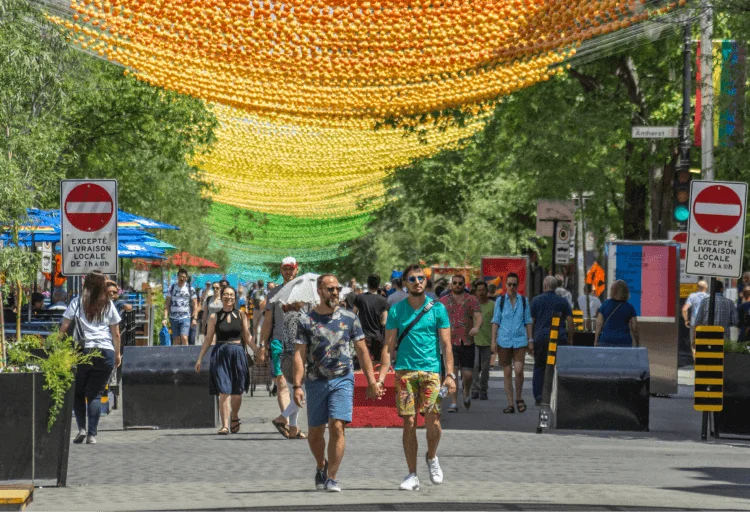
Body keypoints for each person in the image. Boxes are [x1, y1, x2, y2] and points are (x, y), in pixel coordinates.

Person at [292, 274, 381, 492]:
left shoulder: (350, 318)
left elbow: (361, 349)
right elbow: (299, 354)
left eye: (337, 289)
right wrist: (296, 385)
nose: (334, 293)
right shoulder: (306, 320)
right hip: (315, 381)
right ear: (319, 291)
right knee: (315, 432)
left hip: (343, 378)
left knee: (337, 426)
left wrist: (371, 381)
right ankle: (321, 465)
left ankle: (332, 476)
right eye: (329, 289)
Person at [379, 264, 455, 491]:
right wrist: (381, 377)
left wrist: (450, 374)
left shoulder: (438, 309)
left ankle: (432, 457)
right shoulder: (396, 310)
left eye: (421, 278)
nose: (417, 282)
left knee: (433, 419)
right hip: (404, 371)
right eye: (412, 279)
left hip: (431, 371)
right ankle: (412, 474)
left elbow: (446, 344)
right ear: (405, 284)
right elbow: (388, 346)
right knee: (409, 421)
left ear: (426, 281)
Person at [60, 271, 121, 444]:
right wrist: (117, 354)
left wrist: (56, 345)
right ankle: (92, 435)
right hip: (105, 351)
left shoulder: (77, 303)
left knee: (78, 392)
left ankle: (81, 428)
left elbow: (64, 327)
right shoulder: (108, 305)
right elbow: (116, 333)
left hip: (82, 350)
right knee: (95, 394)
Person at [195, 285, 264, 435]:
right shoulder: (214, 317)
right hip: (220, 353)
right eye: (226, 294)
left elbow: (247, 336)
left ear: (235, 298)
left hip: (238, 353)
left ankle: (234, 416)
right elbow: (208, 339)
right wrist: (200, 358)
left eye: (231, 295)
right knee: (224, 391)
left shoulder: (241, 315)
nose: (229, 297)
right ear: (221, 297)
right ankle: (225, 425)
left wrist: (258, 350)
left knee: (237, 392)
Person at [263, 257, 299, 433]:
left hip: (300, 343)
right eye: (285, 269)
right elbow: (268, 320)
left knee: (298, 385)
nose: (288, 272)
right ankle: (287, 423)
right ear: (280, 270)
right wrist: (262, 344)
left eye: (291, 269)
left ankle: (288, 422)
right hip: (279, 342)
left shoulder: (303, 293)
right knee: (283, 382)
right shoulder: (274, 293)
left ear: (296, 270)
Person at [491, 272, 533, 413]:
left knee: (519, 370)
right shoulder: (500, 301)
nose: (511, 287)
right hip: (504, 340)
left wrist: (530, 340)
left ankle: (519, 397)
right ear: (505, 285)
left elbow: (528, 321)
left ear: (518, 285)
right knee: (507, 372)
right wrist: (493, 341)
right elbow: (495, 322)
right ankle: (510, 403)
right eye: (509, 284)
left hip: (520, 340)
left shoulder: (523, 301)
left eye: (514, 284)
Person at [439, 274, 482, 412]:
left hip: (467, 341)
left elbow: (478, 316)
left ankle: (467, 392)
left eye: (460, 283)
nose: (457, 285)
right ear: (451, 285)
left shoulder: (472, 299)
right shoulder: (443, 301)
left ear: (464, 284)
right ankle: (453, 403)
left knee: (468, 375)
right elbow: (437, 318)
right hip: (450, 343)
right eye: (455, 283)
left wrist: (476, 327)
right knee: (453, 374)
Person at [530, 275, 574, 406]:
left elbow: (531, 322)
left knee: (539, 367)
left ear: (544, 286)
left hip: (541, 338)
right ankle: (557, 395)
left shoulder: (536, 301)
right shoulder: (563, 301)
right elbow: (570, 322)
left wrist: (530, 340)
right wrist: (570, 339)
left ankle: (539, 396)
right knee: (557, 367)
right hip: (558, 338)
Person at [272, 301, 308, 439]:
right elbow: (296, 341)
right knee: (301, 395)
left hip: (288, 359)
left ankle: (293, 428)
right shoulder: (295, 316)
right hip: (294, 359)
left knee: (295, 394)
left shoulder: (290, 315)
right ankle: (282, 418)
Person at [352, 274, 390, 363]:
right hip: (377, 336)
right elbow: (384, 322)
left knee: (363, 362)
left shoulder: (360, 298)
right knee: (377, 363)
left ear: (368, 284)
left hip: (363, 336)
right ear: (378, 285)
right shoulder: (383, 300)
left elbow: (352, 315)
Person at [694, 280, 738, 352]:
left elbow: (697, 321)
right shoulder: (729, 303)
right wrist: (726, 323)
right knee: (723, 359)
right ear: (721, 289)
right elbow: (735, 321)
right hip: (724, 337)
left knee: (708, 359)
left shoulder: (704, 302)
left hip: (707, 337)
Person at [594, 280, 640, 348]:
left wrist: (596, 341)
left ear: (612, 291)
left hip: (606, 340)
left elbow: (599, 324)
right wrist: (637, 342)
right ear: (626, 292)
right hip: (624, 341)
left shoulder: (605, 304)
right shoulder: (629, 307)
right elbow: (635, 327)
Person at [470, 281, 494, 400]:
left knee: (485, 368)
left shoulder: (492, 305)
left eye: (483, 290)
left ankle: (483, 389)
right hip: (474, 341)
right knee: (475, 365)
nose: (481, 292)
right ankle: (474, 389)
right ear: (475, 292)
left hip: (487, 341)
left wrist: (495, 340)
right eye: (479, 290)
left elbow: (496, 324)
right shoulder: (472, 305)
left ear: (487, 291)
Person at [163, 268, 197, 346]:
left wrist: (195, 318)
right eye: (180, 276)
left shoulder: (190, 288)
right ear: (177, 277)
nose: (182, 278)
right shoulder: (171, 288)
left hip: (185, 317)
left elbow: (195, 304)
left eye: (184, 277)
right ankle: (176, 357)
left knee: (184, 337)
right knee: (176, 339)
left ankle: (186, 356)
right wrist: (165, 318)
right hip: (173, 317)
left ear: (186, 278)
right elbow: (167, 304)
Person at [682, 280, 709, 349]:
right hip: (706, 324)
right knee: (705, 344)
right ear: (706, 288)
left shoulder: (692, 296)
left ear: (697, 288)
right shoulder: (709, 297)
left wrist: (686, 320)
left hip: (694, 323)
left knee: (694, 345)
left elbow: (684, 309)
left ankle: (696, 359)